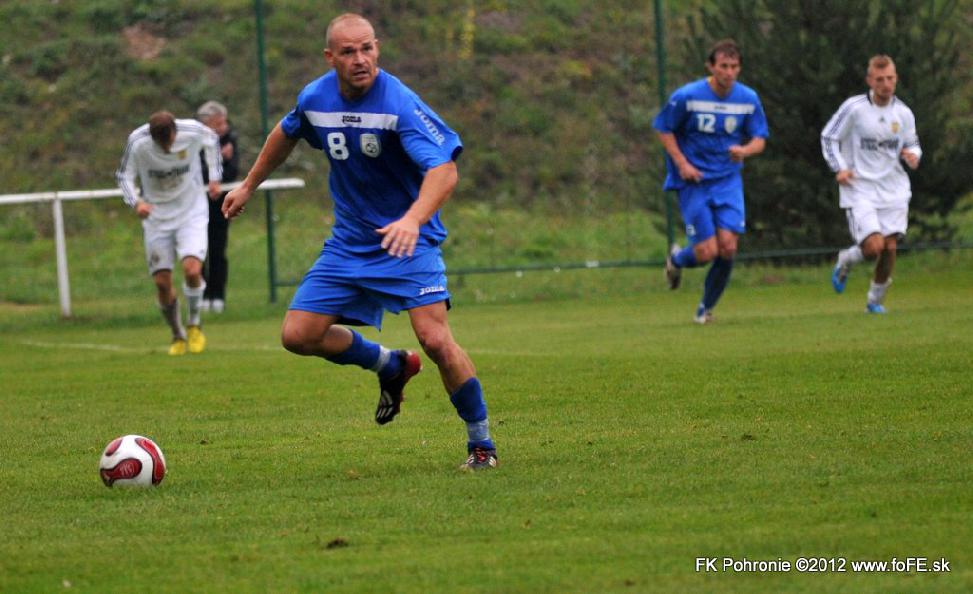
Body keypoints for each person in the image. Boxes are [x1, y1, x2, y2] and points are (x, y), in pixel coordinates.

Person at [222, 13, 498, 470]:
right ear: (331, 57)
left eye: (367, 48)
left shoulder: (399, 105)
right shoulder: (315, 97)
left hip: (408, 241)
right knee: (297, 335)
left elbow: (445, 170)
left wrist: (412, 220)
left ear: (378, 49)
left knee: (434, 339)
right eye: (348, 52)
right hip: (349, 244)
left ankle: (481, 444)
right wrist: (248, 184)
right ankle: (388, 365)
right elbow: (286, 132)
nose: (360, 59)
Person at [654, 39, 769, 324]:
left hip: (727, 181)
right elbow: (663, 128)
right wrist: (682, 164)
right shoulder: (688, 96)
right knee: (707, 252)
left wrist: (744, 150)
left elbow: (760, 139)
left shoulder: (748, 99)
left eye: (734, 67)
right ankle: (677, 259)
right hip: (694, 181)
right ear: (710, 66)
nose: (729, 72)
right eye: (723, 66)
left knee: (728, 247)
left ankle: (705, 310)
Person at [821, 55, 921, 313]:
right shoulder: (854, 108)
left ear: (896, 78)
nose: (886, 84)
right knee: (873, 246)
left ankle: (874, 302)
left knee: (889, 247)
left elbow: (912, 143)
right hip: (860, 187)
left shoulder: (903, 113)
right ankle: (846, 259)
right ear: (870, 81)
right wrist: (840, 167)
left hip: (894, 188)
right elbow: (829, 137)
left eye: (890, 78)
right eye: (880, 79)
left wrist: (913, 156)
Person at [117, 111, 221, 355]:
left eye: (170, 140)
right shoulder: (138, 142)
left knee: (192, 269)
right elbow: (124, 176)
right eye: (161, 143)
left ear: (175, 131)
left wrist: (215, 177)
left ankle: (194, 323)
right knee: (162, 282)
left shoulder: (192, 131)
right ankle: (177, 334)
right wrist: (137, 202)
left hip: (191, 212)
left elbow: (213, 141)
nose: (167, 146)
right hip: (157, 217)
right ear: (153, 138)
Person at [197, 100, 241, 314]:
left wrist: (225, 161)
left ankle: (218, 297)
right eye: (218, 123)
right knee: (198, 251)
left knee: (218, 250)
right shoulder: (193, 141)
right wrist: (213, 164)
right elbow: (195, 174)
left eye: (224, 122)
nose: (223, 127)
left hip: (220, 205)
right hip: (197, 205)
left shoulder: (229, 140)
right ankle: (202, 295)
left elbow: (233, 173)